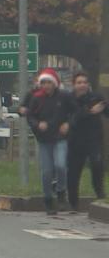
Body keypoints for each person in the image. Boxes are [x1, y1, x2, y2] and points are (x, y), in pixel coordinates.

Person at [26, 68, 77, 215]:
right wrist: (38, 124)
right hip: (44, 139)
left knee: (60, 165)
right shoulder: (36, 98)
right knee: (47, 171)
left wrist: (68, 123)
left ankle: (61, 192)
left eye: (49, 82)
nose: (46, 86)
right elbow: (30, 117)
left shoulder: (64, 96)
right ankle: (48, 199)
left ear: (55, 83)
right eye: (44, 83)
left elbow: (75, 112)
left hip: (60, 138)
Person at [67, 71, 107, 210]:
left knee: (97, 164)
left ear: (88, 84)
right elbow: (72, 119)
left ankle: (100, 194)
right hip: (75, 140)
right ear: (74, 85)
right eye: (79, 83)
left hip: (94, 139)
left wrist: (105, 106)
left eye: (84, 82)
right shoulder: (69, 99)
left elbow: (105, 111)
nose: (82, 85)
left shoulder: (96, 97)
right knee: (73, 172)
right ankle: (73, 203)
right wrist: (89, 111)